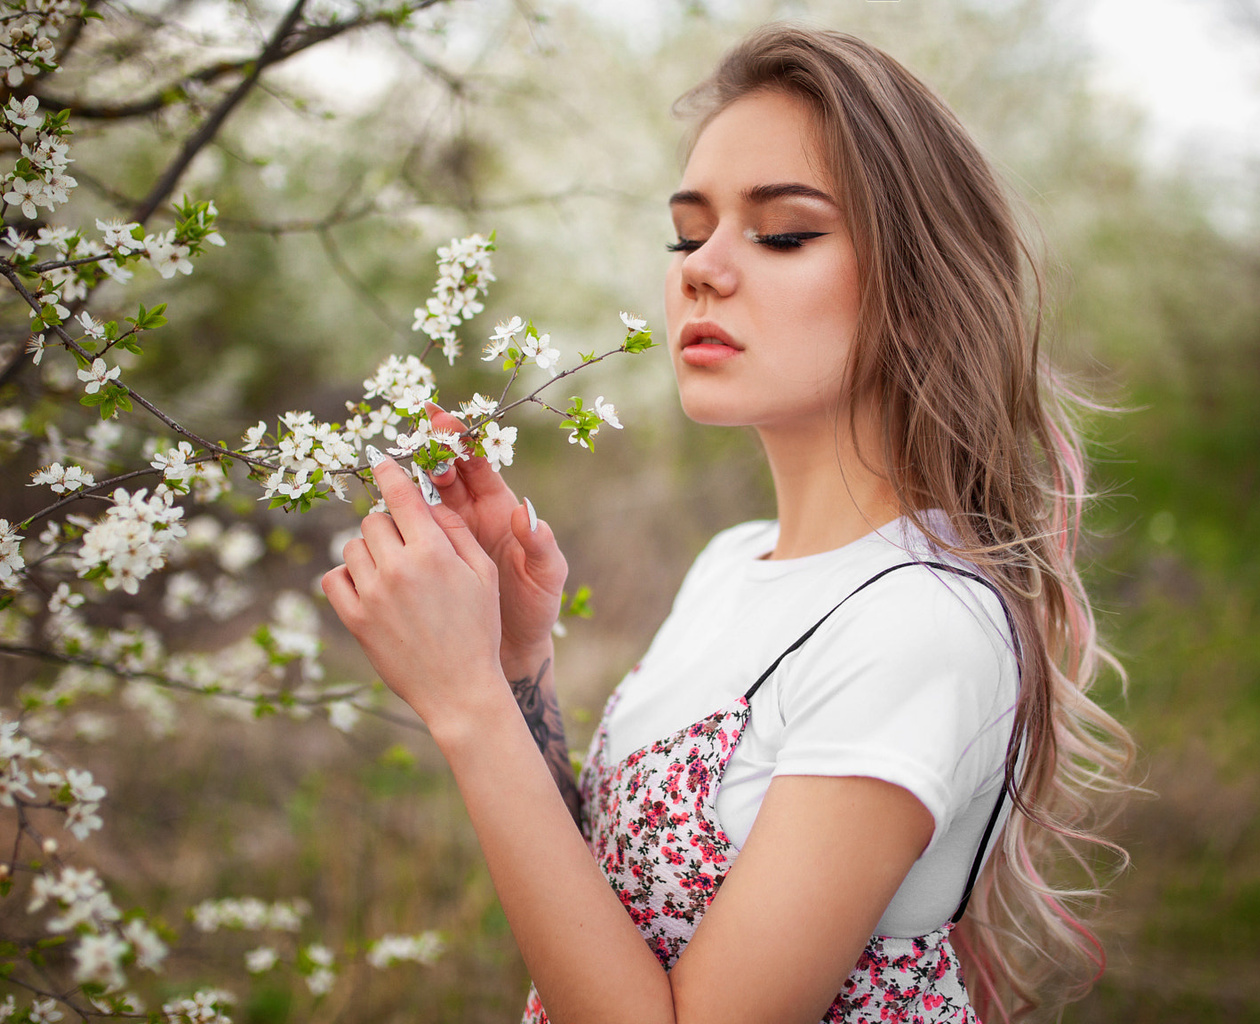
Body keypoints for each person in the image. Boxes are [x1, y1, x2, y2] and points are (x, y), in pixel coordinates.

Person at [322, 24, 1134, 1024]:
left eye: (781, 232)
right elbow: (609, 913)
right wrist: (511, 660)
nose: (699, 270)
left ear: (917, 295)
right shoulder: (731, 561)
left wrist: (466, 709)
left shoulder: (915, 624)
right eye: (686, 232)